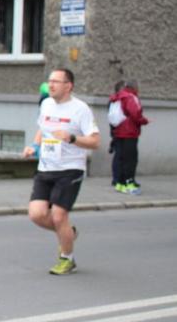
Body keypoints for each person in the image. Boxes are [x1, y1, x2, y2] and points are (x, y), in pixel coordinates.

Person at [22, 68, 99, 276]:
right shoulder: (46, 104)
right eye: (50, 81)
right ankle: (69, 234)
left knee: (58, 216)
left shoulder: (80, 109)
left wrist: (72, 138)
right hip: (46, 167)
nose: (51, 85)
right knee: (37, 214)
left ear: (68, 86)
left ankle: (67, 259)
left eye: (56, 81)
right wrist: (34, 147)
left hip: (70, 169)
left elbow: (95, 142)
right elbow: (42, 129)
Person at [110, 79, 149, 195]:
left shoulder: (117, 96)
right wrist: (144, 121)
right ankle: (130, 184)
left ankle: (120, 184)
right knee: (131, 159)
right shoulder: (131, 97)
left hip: (118, 131)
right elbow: (135, 114)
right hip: (129, 132)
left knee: (121, 158)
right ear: (135, 87)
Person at [108, 79, 125, 187]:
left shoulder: (115, 100)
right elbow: (114, 118)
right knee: (119, 156)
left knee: (120, 155)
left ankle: (118, 178)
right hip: (120, 131)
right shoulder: (116, 101)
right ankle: (116, 178)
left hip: (118, 131)